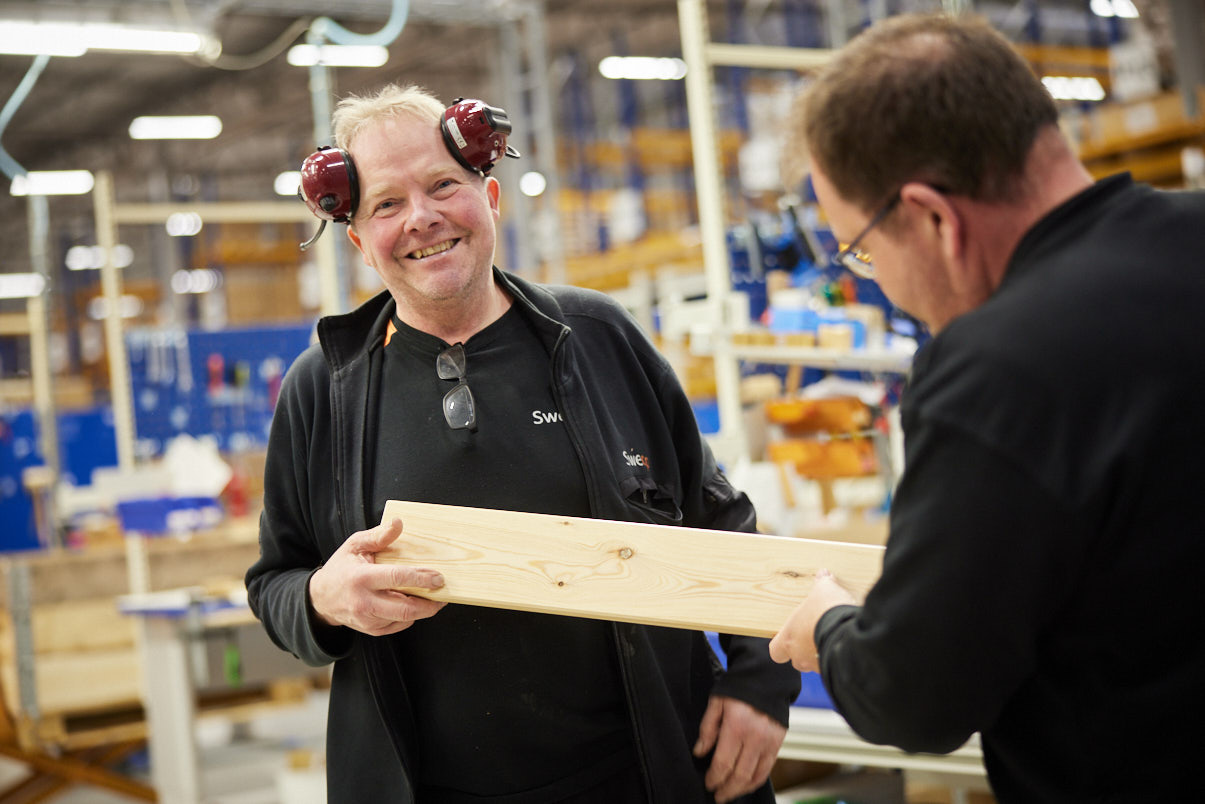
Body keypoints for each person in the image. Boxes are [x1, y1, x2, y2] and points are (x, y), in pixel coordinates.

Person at [246, 83, 800, 804]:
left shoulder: (598, 337)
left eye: (443, 184)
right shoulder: (325, 387)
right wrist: (323, 596)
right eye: (386, 203)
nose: (421, 218)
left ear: (491, 198)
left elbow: (720, 518)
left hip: (649, 773)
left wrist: (760, 680)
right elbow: (274, 586)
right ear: (358, 240)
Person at [767, 11, 1205, 803]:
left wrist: (832, 628)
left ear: (933, 218)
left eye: (862, 251)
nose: (877, 282)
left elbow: (918, 697)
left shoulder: (992, 374)